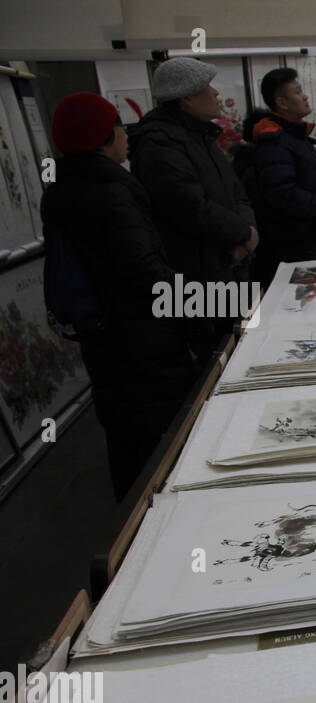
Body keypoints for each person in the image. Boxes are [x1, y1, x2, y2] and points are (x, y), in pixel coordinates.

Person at [40, 93, 199, 500]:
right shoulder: (111, 192)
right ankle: (153, 523)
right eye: (117, 126)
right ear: (101, 136)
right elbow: (146, 273)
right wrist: (207, 308)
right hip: (142, 338)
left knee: (125, 435)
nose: (125, 135)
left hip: (104, 335)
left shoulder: (61, 188)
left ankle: (128, 519)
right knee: (158, 439)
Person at [128, 57, 258, 353]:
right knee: (216, 358)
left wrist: (247, 233)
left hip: (231, 265)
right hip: (195, 277)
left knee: (244, 344)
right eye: (206, 87)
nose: (214, 93)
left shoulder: (202, 136)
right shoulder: (159, 144)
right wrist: (242, 234)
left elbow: (237, 193)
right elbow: (190, 208)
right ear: (186, 99)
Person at [243, 67, 316, 286]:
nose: (305, 96)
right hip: (299, 244)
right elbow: (281, 193)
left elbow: (306, 183)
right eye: (298, 91)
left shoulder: (295, 137)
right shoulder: (274, 142)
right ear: (282, 103)